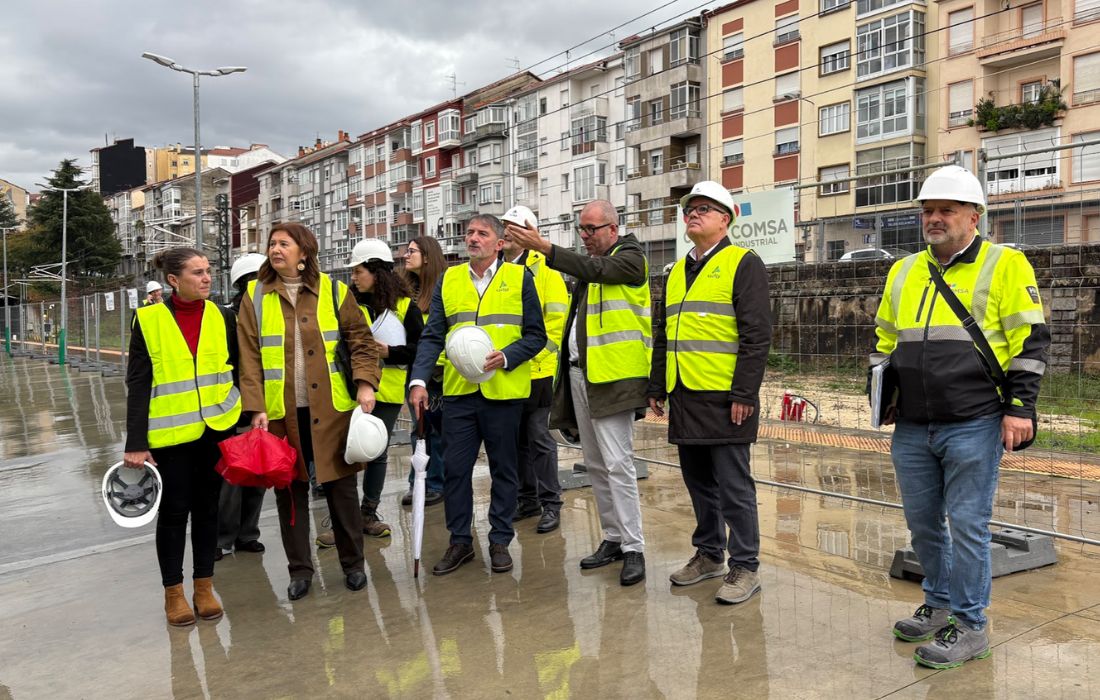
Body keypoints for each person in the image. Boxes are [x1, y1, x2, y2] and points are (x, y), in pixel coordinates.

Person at [872, 165, 1050, 668]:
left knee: (968, 523)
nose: (935, 219)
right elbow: (884, 339)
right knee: (923, 523)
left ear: (975, 216)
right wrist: (881, 389)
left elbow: (1030, 343)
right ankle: (939, 602)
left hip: (973, 419)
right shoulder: (903, 270)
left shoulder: (1005, 265)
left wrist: (1019, 408)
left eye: (947, 210)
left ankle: (971, 624)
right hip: (911, 423)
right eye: (928, 210)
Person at [507, 199, 651, 586]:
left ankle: (634, 547)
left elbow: (597, 268)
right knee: (597, 465)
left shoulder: (630, 259)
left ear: (613, 229)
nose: (585, 237)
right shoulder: (593, 268)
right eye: (581, 230)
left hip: (613, 380)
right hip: (580, 377)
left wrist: (544, 248)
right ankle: (613, 538)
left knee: (619, 465)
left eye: (591, 229)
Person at [237, 222, 381, 601]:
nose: (275, 249)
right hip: (279, 412)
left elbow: (361, 341)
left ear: (305, 252)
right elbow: (248, 357)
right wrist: (255, 409)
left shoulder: (334, 292)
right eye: (272, 243)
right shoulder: (254, 296)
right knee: (289, 493)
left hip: (332, 408)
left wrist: (365, 383)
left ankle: (353, 565)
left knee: (342, 489)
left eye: (284, 243)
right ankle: (300, 571)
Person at [646, 181, 772, 605]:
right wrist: (658, 385)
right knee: (698, 482)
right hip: (685, 393)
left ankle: (745, 566)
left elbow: (757, 336)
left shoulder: (743, 263)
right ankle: (709, 554)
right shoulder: (678, 271)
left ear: (726, 218)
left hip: (726, 397)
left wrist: (744, 393)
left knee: (734, 486)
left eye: (704, 208)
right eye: (689, 209)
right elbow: (664, 333)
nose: (693, 214)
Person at [408, 214, 546, 576]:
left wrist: (506, 356)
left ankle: (500, 540)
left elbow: (536, 336)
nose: (473, 238)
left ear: (499, 243)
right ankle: (460, 542)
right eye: (469, 232)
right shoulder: (449, 280)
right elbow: (433, 335)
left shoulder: (520, 278)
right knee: (455, 470)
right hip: (458, 393)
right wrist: (419, 381)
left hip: (504, 393)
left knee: (505, 469)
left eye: (482, 233)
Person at [124, 246, 241, 626]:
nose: (207, 278)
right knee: (174, 513)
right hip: (170, 435)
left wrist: (241, 411)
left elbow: (238, 369)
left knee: (208, 509)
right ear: (173, 280)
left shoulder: (223, 316)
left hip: (216, 428)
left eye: (208, 271)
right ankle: (173, 593)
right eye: (197, 273)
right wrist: (136, 442)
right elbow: (138, 383)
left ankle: (204, 588)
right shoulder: (148, 320)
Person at [314, 239, 423, 546]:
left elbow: (421, 348)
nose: (354, 277)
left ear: (377, 272)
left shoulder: (405, 307)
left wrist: (390, 352)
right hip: (349, 390)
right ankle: (343, 520)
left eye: (359, 271)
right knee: (345, 452)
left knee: (375, 452)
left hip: (386, 393)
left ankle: (368, 513)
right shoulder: (348, 302)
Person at [501, 207, 570, 534]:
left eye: (513, 228)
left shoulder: (547, 272)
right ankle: (527, 500)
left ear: (529, 233)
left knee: (540, 441)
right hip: (508, 373)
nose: (506, 233)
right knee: (517, 443)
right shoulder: (499, 272)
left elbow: (557, 325)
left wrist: (532, 356)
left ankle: (551, 503)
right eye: (504, 227)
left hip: (538, 372)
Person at [215, 253, 269, 562]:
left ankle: (248, 534)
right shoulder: (227, 318)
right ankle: (222, 538)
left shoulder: (273, 316)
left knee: (257, 476)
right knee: (232, 479)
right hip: (234, 408)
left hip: (264, 407)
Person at [400, 235, 447, 507]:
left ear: (427, 257)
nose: (406, 255)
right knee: (418, 431)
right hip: (416, 370)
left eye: (412, 251)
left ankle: (436, 484)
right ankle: (417, 482)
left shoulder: (442, 288)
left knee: (437, 431)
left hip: (440, 372)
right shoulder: (407, 291)